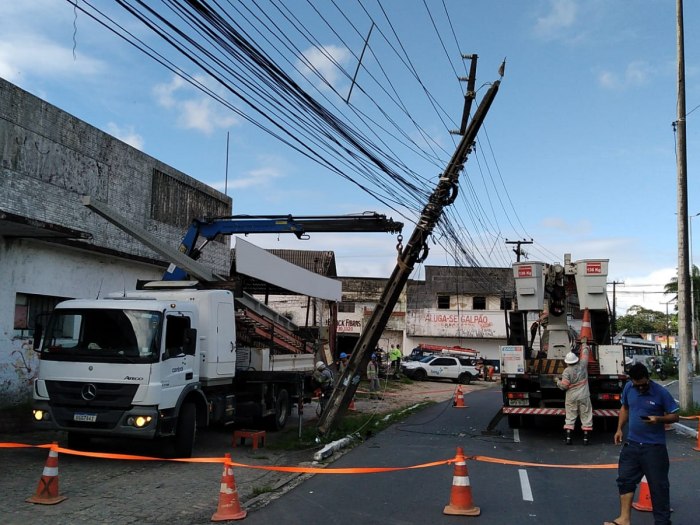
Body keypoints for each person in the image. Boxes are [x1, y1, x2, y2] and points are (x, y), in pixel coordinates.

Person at [603, 362, 679, 525]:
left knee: (658, 487)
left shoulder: (660, 392)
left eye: (643, 385)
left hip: (654, 448)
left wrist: (658, 419)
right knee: (624, 480)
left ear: (648, 379)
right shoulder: (629, 388)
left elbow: (675, 416)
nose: (640, 388)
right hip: (632, 445)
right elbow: (625, 408)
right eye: (637, 385)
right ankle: (624, 519)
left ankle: (662, 522)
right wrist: (619, 429)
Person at [555, 340, 592, 445]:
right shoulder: (583, 365)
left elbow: (564, 386)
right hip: (584, 396)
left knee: (570, 416)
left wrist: (557, 381)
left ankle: (568, 438)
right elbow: (585, 353)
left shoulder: (567, 371)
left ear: (567, 362)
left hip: (571, 397)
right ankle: (586, 439)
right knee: (586, 416)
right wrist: (584, 344)